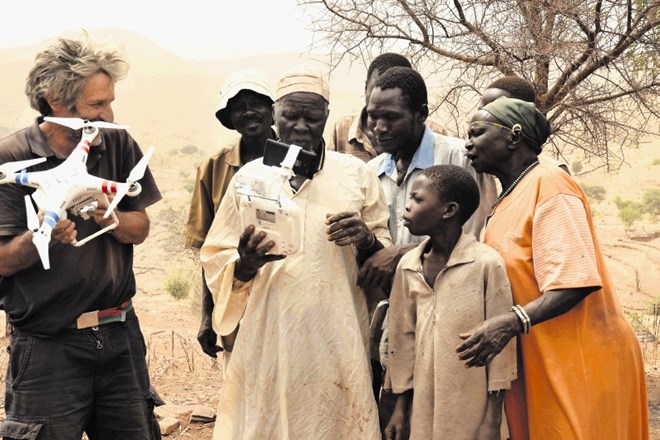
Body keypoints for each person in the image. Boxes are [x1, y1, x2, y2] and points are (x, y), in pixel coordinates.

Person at [200, 64, 391, 440]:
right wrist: (246, 263)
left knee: (336, 423)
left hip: (338, 334)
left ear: (326, 117)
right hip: (269, 334)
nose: (301, 126)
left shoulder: (356, 175)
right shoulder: (249, 178)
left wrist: (366, 240)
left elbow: (384, 258)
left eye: (312, 117)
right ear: (275, 115)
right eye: (291, 116)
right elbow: (216, 257)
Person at [0, 35, 162, 439]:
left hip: (120, 334)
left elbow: (139, 229)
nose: (109, 114)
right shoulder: (10, 159)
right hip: (47, 345)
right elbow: (3, 260)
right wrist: (43, 235)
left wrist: (110, 215)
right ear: (56, 99)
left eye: (109, 102)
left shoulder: (117, 142)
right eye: (97, 104)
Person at [460, 96, 649, 439]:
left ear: (514, 137)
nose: (468, 142)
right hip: (542, 358)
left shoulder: (551, 184)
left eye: (477, 132)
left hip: (581, 359)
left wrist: (510, 322)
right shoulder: (509, 197)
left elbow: (574, 281)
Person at [360, 66, 498, 430]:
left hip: (454, 318)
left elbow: (480, 231)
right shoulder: (372, 172)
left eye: (391, 117)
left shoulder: (460, 160)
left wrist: (402, 253)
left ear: (421, 113)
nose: (379, 127)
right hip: (396, 319)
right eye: (373, 116)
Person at [384, 165, 516, 440]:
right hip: (420, 408)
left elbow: (502, 351)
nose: (406, 208)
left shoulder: (486, 265)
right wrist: (400, 409)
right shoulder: (408, 266)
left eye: (417, 199)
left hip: (471, 408)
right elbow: (402, 341)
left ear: (449, 210)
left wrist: (492, 420)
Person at [184, 68, 275, 366]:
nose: (248, 112)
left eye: (256, 103)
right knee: (240, 381)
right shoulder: (213, 167)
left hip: (286, 294)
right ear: (230, 117)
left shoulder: (298, 158)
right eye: (238, 106)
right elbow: (207, 251)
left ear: (272, 110)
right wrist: (206, 317)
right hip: (235, 294)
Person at [329, 52, 447, 162]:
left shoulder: (436, 133)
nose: (382, 97)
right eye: (376, 88)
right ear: (366, 88)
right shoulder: (342, 127)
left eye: (392, 116)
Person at [479, 76, 569, 174]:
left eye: (493, 112)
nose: (480, 119)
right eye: (481, 111)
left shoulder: (551, 174)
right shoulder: (481, 168)